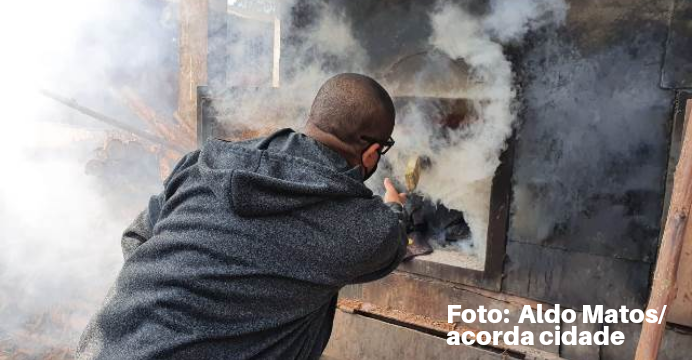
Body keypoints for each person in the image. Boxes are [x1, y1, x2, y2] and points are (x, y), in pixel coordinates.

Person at [77, 73, 408, 359]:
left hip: (105, 347)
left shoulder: (202, 163)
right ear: (371, 153)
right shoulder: (359, 225)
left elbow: (136, 237)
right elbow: (393, 238)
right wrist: (395, 206)